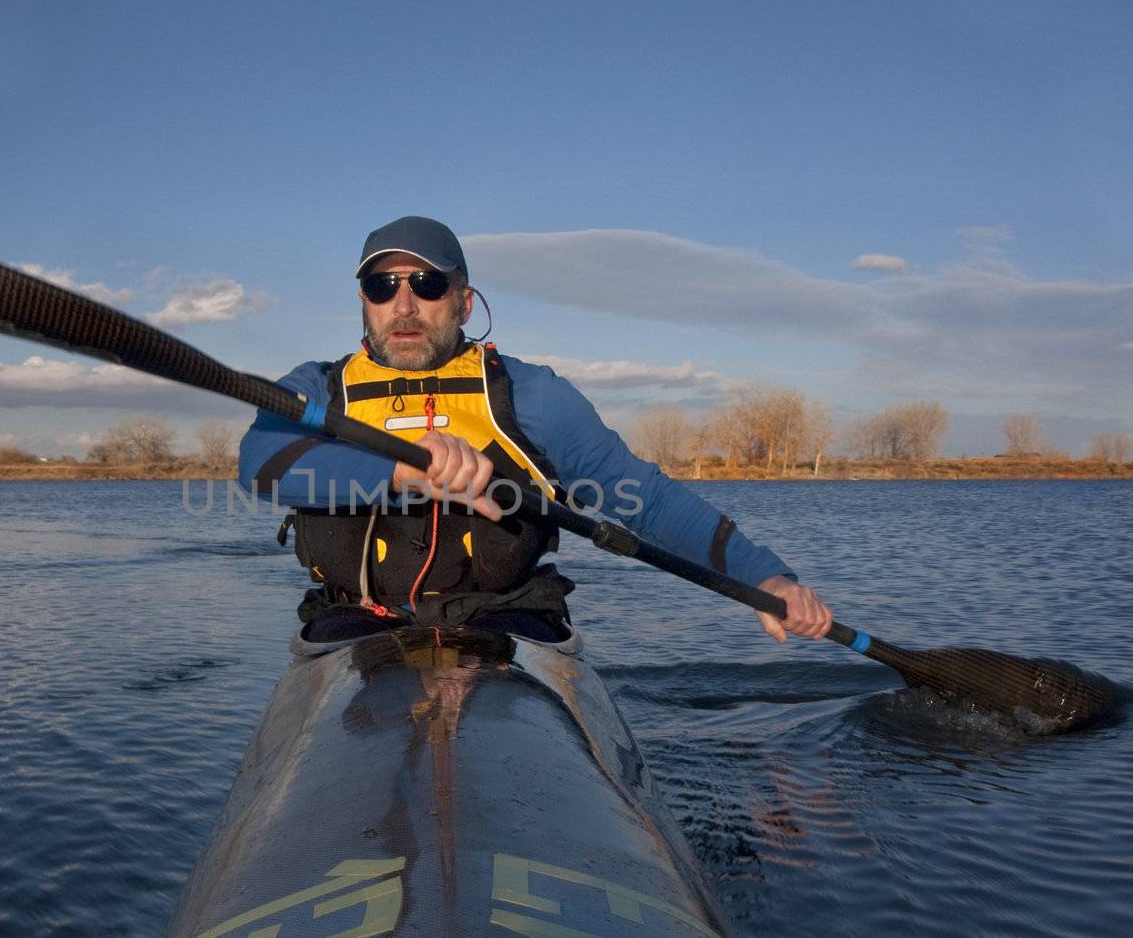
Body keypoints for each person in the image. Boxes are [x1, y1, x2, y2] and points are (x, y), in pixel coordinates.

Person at [239, 216, 832, 643]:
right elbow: (258, 462)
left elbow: (644, 499)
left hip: (507, 622)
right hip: (354, 621)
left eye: (427, 285)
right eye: (382, 286)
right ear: (365, 303)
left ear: (464, 303)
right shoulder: (318, 387)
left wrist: (765, 576)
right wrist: (399, 468)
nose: (404, 305)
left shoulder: (533, 395)